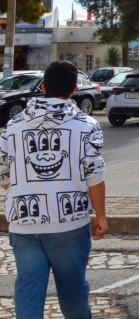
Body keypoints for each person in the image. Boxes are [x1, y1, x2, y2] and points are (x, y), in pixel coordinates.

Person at [1, 60, 108, 318]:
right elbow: (94, 175)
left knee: (28, 288)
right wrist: (101, 216)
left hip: (24, 225)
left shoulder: (12, 127)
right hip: (68, 224)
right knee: (72, 290)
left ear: (43, 86)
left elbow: (3, 172)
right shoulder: (86, 125)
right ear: (74, 90)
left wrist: (23, 189)